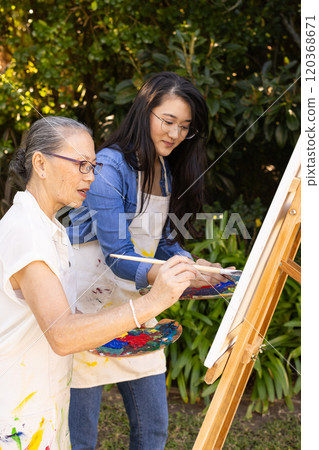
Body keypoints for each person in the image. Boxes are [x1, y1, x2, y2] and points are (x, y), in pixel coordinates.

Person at [0, 116, 197, 449]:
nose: (91, 176)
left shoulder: (49, 228)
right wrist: (151, 302)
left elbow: (61, 320)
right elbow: (62, 334)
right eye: (81, 165)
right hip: (19, 414)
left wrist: (129, 336)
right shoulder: (27, 233)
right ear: (40, 164)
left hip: (41, 404)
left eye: (92, 166)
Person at [67, 72, 230, 449]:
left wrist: (192, 265)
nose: (175, 134)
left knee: (153, 429)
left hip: (138, 305)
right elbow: (118, 254)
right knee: (80, 439)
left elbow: (160, 241)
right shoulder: (108, 167)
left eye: (184, 127)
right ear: (145, 112)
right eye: (168, 121)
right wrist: (171, 276)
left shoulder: (164, 169)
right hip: (85, 309)